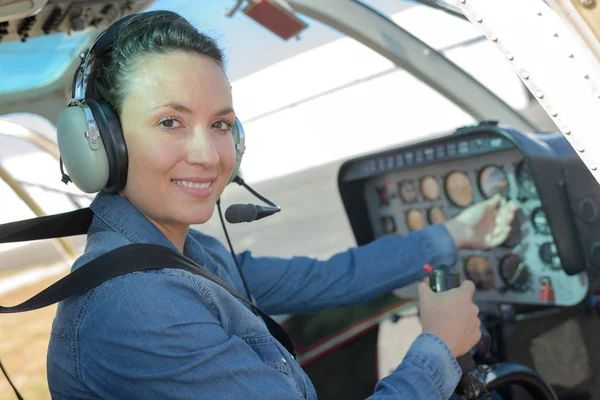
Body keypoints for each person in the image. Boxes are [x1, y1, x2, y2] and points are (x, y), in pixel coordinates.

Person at [47, 10, 517, 400]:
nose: (210, 156)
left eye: (221, 125)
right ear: (100, 145)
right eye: (170, 122)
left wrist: (454, 234)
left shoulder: (186, 254)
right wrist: (437, 347)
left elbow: (324, 277)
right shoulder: (136, 306)